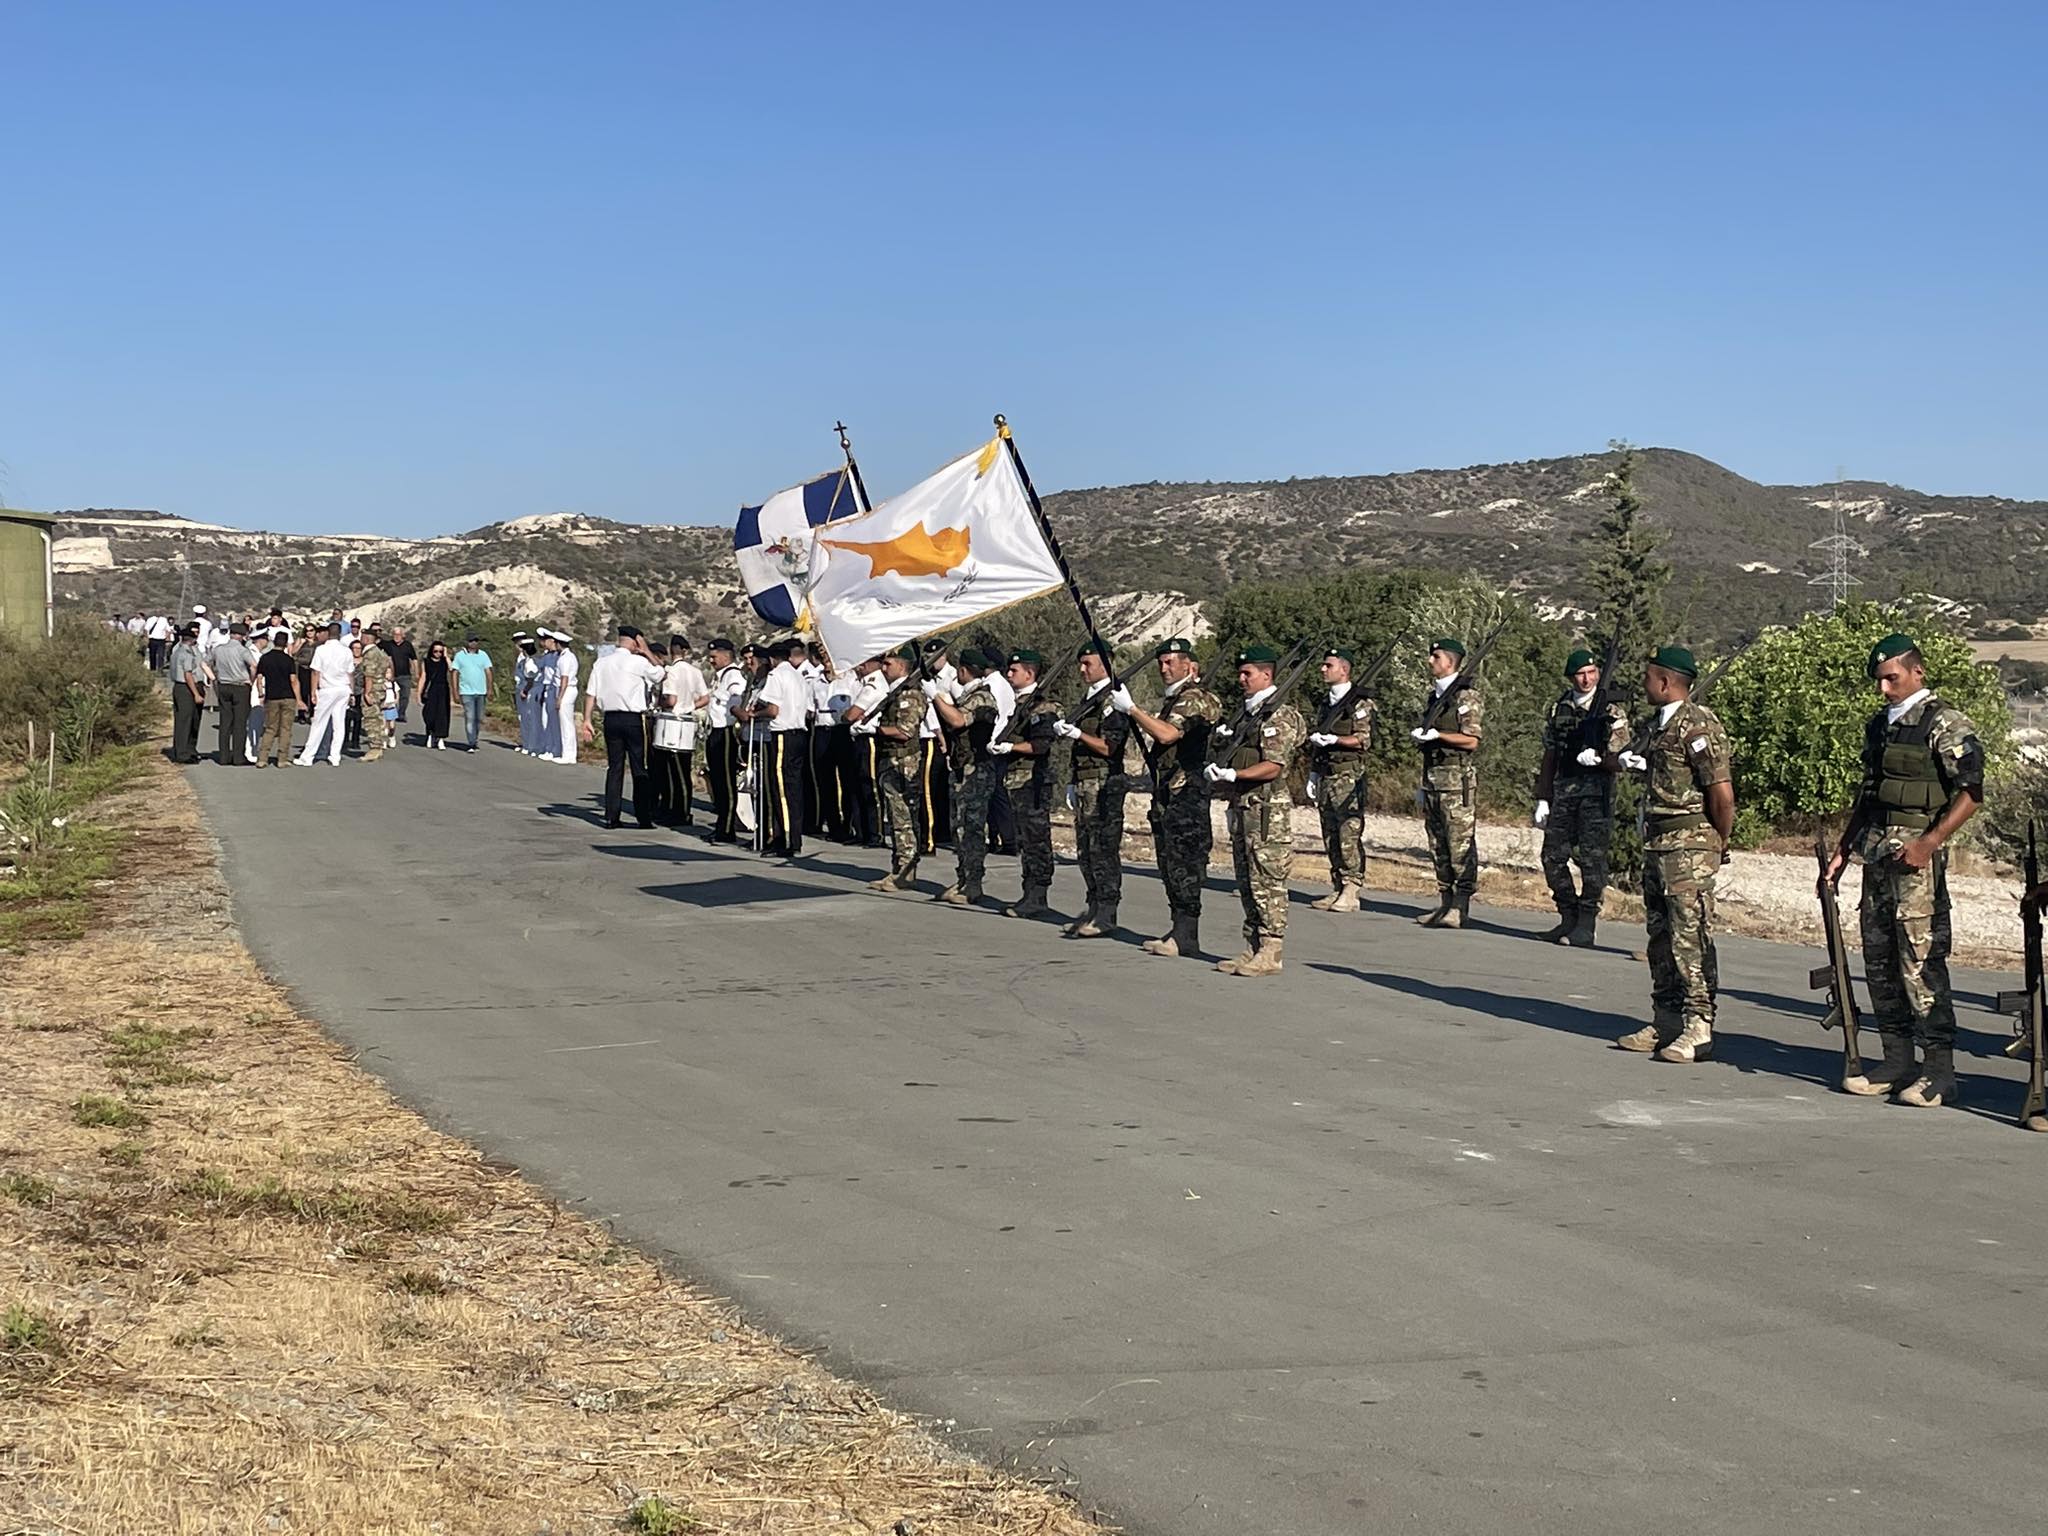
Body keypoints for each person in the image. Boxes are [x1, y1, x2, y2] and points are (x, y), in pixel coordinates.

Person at [1823, 632, 1985, 1105]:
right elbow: (1869, 793)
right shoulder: (1880, 726)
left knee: (1921, 963)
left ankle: (1939, 1071)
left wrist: (1929, 843)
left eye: (1891, 679)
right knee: (1880, 963)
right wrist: (1843, 850)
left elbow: (1971, 793)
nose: (1884, 688)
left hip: (1917, 864)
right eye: (1879, 680)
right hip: (1876, 857)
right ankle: (1896, 1059)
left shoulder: (1944, 722)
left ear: (1917, 672)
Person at [1613, 645, 1734, 1063]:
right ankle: (1665, 1020)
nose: (1644, 683)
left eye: (1649, 677)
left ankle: (1699, 1025)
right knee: (1661, 937)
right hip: (1658, 842)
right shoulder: (1658, 725)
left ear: (1665, 682)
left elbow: (1721, 794)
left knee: (1690, 937)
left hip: (1689, 846)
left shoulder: (1697, 724)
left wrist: (1717, 842)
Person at [1203, 644, 1307, 977]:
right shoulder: (1248, 714)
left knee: (1268, 879)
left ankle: (1271, 950)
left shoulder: (1279, 714)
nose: (1241, 678)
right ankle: (1253, 945)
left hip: (1266, 810)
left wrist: (1236, 775)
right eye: (1240, 672)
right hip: (1243, 805)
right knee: (1247, 879)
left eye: (1247, 673)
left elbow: (1274, 765)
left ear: (1266, 674)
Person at [1116, 636, 1221, 958]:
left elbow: (1167, 734)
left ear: (1190, 666)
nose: (1164, 668)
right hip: (1169, 792)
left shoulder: (1194, 699)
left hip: (1187, 795)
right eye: (1161, 663)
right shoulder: (1175, 699)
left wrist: (1132, 709)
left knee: (1184, 865)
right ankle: (1179, 930)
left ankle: (1186, 934)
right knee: (1170, 863)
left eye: (1170, 662)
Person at [1533, 647, 1630, 946]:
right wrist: (1543, 797)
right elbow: (1550, 754)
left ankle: (1586, 924)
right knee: (1552, 856)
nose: (1587, 679)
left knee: (1591, 860)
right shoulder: (1560, 707)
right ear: (1571, 677)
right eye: (1580, 674)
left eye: (1592, 673)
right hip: (1565, 790)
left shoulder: (1611, 711)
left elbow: (1622, 757)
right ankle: (1568, 916)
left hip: (1596, 794)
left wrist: (1600, 759)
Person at [1054, 640, 1133, 938]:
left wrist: (1077, 734)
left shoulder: (1113, 700)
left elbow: (1110, 747)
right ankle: (1093, 906)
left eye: (1088, 663)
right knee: (1085, 850)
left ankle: (1106, 913)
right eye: (1081, 663)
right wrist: (1072, 779)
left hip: (1103, 783)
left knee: (1103, 850)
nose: (1082, 669)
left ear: (1106, 663)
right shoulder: (1090, 698)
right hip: (1084, 781)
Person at [1412, 637, 1484, 929]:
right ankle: (1445, 901)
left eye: (1436, 657)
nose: (1430, 661)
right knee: (1437, 844)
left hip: (1457, 782)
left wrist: (1439, 736)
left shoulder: (1466, 697)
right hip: (1433, 778)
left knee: (1459, 844)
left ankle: (1460, 905)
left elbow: (1472, 740)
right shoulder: (1435, 697)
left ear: (1451, 662)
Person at [1304, 647, 1378, 913]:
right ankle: (1338, 884)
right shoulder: (1327, 703)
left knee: (1348, 832)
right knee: (1330, 833)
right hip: (1326, 773)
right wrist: (1314, 772)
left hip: (1348, 775)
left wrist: (1336, 740)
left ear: (1344, 669)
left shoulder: (1359, 703)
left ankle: (1351, 888)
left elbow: (1363, 739)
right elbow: (1319, 739)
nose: (1323, 669)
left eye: (1329, 665)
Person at [991, 649, 1062, 919]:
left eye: (1014, 670)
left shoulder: (1043, 706)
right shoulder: (1020, 703)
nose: (1008, 674)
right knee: (1025, 838)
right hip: (1017, 781)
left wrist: (1011, 747)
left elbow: (1041, 745)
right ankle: (1029, 892)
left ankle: (1037, 895)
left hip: (1033, 782)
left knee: (1036, 840)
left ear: (1030, 674)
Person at [931, 647, 1003, 906]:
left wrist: (935, 696)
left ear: (963, 670)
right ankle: (963, 878)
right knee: (958, 828)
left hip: (976, 771)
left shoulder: (982, 697)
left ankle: (973, 883)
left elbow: (959, 720)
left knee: (971, 829)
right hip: (963, 769)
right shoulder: (969, 695)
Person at [580, 625, 665, 829]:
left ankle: (612, 816)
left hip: (611, 718)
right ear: (636, 642)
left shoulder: (602, 663)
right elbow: (660, 674)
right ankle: (643, 817)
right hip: (632, 719)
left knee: (615, 767)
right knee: (638, 767)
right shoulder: (638, 662)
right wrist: (647, 651)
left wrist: (587, 719)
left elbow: (591, 693)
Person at [869, 647, 928, 891]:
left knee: (904, 818)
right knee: (895, 817)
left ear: (902, 666)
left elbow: (905, 731)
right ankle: (898, 868)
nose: (883, 668)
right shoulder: (896, 692)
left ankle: (906, 870)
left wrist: (876, 729)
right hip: (890, 759)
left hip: (904, 763)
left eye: (888, 664)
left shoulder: (910, 694)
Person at [745, 637, 811, 856]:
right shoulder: (798, 675)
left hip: (783, 734)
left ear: (772, 659)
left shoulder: (776, 675)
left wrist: (755, 714)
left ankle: (787, 839)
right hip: (799, 733)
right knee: (794, 788)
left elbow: (773, 710)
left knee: (781, 788)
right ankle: (792, 837)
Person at [658, 635, 708, 826]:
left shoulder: (671, 671)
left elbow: (670, 700)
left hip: (672, 722)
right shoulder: (695, 671)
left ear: (671, 650)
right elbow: (705, 698)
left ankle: (675, 811)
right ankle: (684, 810)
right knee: (683, 771)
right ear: (685, 651)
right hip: (687, 723)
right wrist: (689, 707)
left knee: (671, 772)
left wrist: (661, 702)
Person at [840, 656, 887, 848]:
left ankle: (876, 833)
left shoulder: (873, 685)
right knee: (857, 786)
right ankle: (861, 831)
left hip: (869, 739)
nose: (859, 667)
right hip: (858, 739)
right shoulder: (863, 683)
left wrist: (849, 715)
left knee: (871, 786)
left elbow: (850, 715)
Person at [702, 638, 746, 841]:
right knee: (717, 781)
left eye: (714, 657)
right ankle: (722, 825)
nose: (711, 661)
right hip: (715, 731)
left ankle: (727, 829)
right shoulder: (720, 677)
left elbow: (736, 698)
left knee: (726, 782)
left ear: (726, 656)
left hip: (726, 732)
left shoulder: (733, 676)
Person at [296, 623, 355, 767]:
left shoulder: (321, 649)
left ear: (328, 633)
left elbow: (315, 672)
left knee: (319, 723)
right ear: (340, 634)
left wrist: (313, 691)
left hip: (328, 689)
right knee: (339, 724)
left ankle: (307, 757)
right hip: (343, 688)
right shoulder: (346, 650)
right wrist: (352, 692)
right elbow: (350, 673)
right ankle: (335, 756)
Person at [208, 622, 256, 766]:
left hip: (223, 685)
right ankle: (238, 756)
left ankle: (223, 757)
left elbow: (205, 663)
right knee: (239, 723)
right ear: (242, 636)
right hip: (240, 686)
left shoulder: (218, 649)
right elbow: (253, 665)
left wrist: (213, 677)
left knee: (225, 722)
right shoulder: (242, 650)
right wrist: (251, 680)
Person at [254, 628, 301, 766]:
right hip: (288, 696)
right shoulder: (288, 660)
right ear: (286, 644)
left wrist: (261, 693)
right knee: (285, 729)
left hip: (272, 696)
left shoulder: (265, 658)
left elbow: (259, 677)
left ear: (274, 642)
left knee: (270, 728)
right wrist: (299, 699)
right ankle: (282, 759)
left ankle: (262, 758)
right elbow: (293, 680)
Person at [168, 622, 208, 764]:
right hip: (186, 688)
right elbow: (188, 675)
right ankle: (182, 753)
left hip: (181, 687)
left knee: (191, 720)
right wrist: (196, 694)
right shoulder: (186, 653)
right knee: (185, 721)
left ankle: (189, 750)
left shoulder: (177, 651)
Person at [451, 634, 493, 751]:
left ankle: (475, 738)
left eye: (475, 641)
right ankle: (471, 743)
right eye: (471, 641)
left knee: (478, 718)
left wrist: (490, 688)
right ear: (467, 642)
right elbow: (454, 673)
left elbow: (488, 671)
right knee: (470, 717)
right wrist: (455, 691)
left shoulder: (483, 655)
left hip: (481, 691)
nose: (473, 643)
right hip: (466, 692)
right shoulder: (460, 656)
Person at [358, 634, 394, 760]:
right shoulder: (381, 653)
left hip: (372, 689)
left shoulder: (370, 654)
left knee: (371, 719)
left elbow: (369, 675)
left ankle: (374, 748)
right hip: (380, 688)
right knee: (378, 718)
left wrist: (367, 693)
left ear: (367, 639)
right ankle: (378, 746)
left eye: (362, 637)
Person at [550, 633, 580, 763]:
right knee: (566, 723)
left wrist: (559, 697)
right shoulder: (567, 656)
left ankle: (568, 755)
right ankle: (568, 753)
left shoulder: (565, 658)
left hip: (566, 690)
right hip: (567, 689)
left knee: (566, 723)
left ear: (558, 643)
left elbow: (564, 678)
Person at [419, 640, 454, 749]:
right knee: (429, 714)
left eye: (440, 651)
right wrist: (418, 693)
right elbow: (423, 677)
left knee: (442, 714)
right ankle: (430, 733)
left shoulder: (444, 661)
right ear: (431, 651)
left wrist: (446, 656)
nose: (438, 653)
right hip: (431, 689)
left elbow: (451, 668)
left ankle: (440, 738)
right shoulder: (426, 662)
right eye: (436, 651)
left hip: (443, 689)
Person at [383, 626, 418, 728]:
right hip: (392, 676)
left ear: (403, 635)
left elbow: (414, 659)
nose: (396, 636)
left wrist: (416, 672)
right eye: (394, 634)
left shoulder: (408, 645)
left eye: (398, 634)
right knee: (391, 695)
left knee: (405, 695)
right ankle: (391, 713)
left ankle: (401, 713)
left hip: (405, 675)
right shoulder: (389, 645)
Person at [511, 633, 540, 753]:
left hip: (527, 690)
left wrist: (525, 690)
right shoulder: (521, 658)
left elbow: (531, 679)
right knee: (522, 717)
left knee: (529, 718)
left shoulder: (530, 661)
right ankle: (526, 743)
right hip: (521, 688)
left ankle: (531, 745)